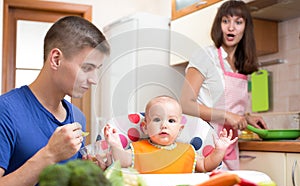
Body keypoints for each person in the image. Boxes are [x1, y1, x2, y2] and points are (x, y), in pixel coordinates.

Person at [0, 16, 110, 186]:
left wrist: (88, 172)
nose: (94, 80)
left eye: (97, 69)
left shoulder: (77, 117)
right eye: (87, 68)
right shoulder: (5, 111)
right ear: (56, 59)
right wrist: (49, 155)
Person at [180, 0, 268, 170]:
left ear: (245, 28)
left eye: (238, 22)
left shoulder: (241, 65)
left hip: (228, 144)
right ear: (219, 25)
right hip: (204, 141)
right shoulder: (206, 56)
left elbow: (227, 104)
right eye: (225, 20)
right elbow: (185, 104)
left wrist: (245, 118)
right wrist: (228, 116)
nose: (231, 27)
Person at [104, 96, 237, 174]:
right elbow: (121, 161)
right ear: (145, 127)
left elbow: (207, 165)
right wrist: (115, 144)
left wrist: (219, 150)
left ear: (180, 129)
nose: (164, 125)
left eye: (171, 121)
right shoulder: (137, 149)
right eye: (157, 120)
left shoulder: (188, 151)